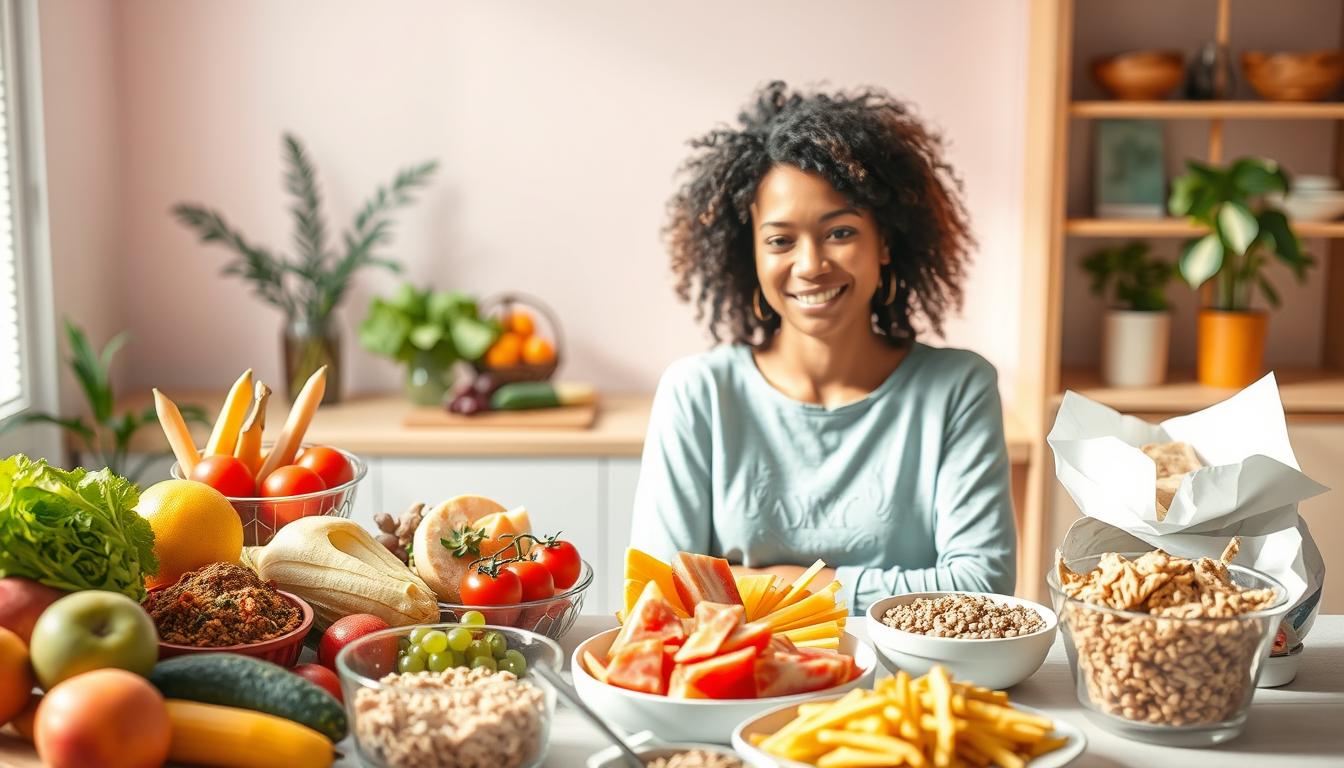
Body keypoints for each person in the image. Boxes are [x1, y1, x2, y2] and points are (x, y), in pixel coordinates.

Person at [630, 82, 1016, 615]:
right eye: (781, 240)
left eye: (839, 232)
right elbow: (662, 592)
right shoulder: (698, 393)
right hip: (736, 693)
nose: (810, 264)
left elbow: (982, 589)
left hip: (904, 688)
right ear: (752, 257)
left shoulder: (958, 389)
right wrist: (890, 590)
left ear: (885, 242)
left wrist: (771, 584)